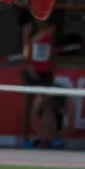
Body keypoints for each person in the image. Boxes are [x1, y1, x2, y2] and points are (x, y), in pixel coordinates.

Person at [23, 20, 59, 148]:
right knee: (27, 106)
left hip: (45, 73)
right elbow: (26, 52)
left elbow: (52, 54)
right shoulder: (30, 30)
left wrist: (52, 73)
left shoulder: (51, 33)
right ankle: (26, 139)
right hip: (31, 72)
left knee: (48, 105)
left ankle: (49, 138)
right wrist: (29, 67)